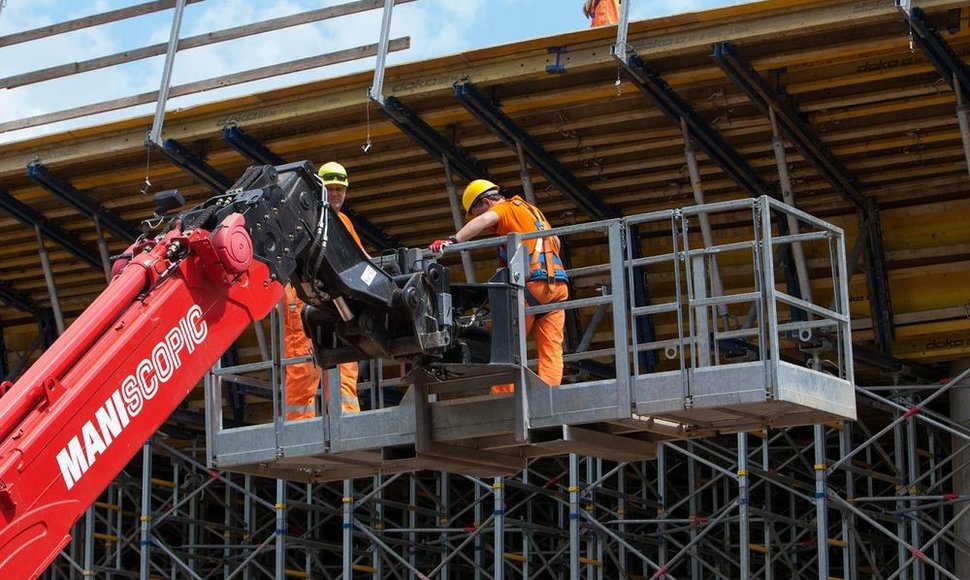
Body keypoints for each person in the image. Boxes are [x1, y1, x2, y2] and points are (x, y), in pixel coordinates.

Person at [429, 180, 569, 392]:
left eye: (476, 213)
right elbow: (556, 242)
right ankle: (549, 395)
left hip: (532, 287)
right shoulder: (533, 212)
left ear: (486, 202)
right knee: (551, 348)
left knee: (505, 347)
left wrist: (452, 241)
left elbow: (486, 219)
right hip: (558, 286)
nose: (480, 221)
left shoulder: (504, 208)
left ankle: (503, 397)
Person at [284, 161, 362, 419]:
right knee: (303, 366)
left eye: (341, 189)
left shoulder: (344, 223)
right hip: (303, 300)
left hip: (336, 303)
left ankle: (347, 421)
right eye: (331, 188)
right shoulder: (305, 218)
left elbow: (359, 262)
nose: (337, 194)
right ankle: (299, 431)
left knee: (345, 362)